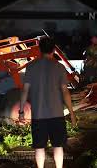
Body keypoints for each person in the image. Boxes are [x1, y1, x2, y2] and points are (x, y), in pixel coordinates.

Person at [19, 37, 77, 168]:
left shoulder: (31, 67)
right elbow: (65, 92)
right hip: (56, 114)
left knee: (39, 147)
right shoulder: (60, 67)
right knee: (58, 146)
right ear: (53, 49)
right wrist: (72, 113)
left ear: (40, 49)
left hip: (38, 115)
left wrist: (21, 111)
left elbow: (25, 91)